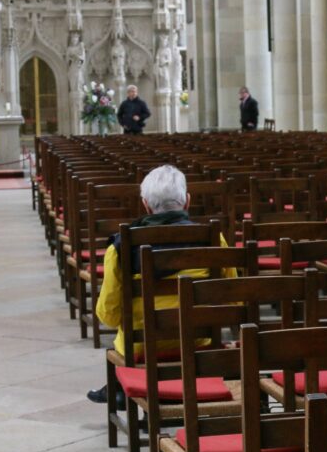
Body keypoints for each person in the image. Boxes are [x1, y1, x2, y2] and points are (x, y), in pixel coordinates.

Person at [87, 165, 235, 404]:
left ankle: (123, 388)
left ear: (145, 205)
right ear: (187, 201)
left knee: (121, 344)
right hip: (200, 342)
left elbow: (109, 316)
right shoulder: (213, 239)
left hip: (141, 347)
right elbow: (234, 301)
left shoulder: (120, 248)